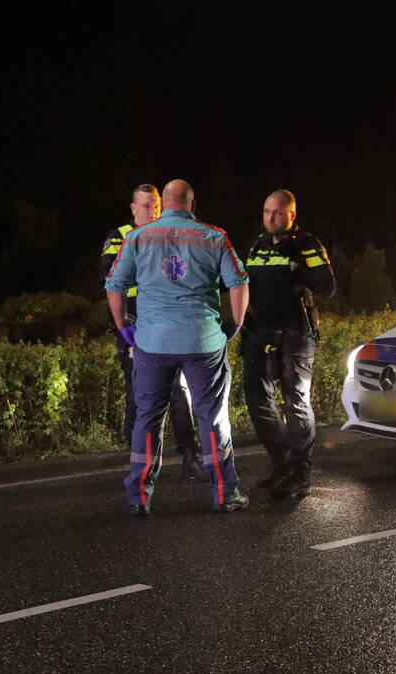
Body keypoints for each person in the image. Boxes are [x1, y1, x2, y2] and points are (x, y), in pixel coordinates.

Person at [105, 179, 250, 515]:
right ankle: (225, 494)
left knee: (148, 418)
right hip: (202, 340)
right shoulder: (214, 236)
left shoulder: (137, 237)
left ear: (164, 203)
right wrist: (236, 324)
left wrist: (123, 326)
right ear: (191, 203)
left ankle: (139, 497)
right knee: (211, 418)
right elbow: (239, 283)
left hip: (152, 342)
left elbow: (114, 285)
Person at [100, 183, 203, 480]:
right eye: (146, 206)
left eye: (156, 205)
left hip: (167, 327)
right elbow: (110, 280)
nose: (152, 211)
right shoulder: (119, 237)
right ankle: (138, 465)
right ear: (133, 209)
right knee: (139, 397)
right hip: (135, 328)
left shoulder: (167, 235)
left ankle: (190, 455)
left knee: (179, 394)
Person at [242, 189, 335, 497]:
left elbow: (328, 286)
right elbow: (243, 284)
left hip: (296, 331)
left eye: (277, 213)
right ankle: (280, 461)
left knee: (295, 399)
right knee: (257, 399)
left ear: (291, 215)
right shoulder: (257, 245)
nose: (270, 217)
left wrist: (300, 271)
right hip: (261, 331)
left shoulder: (306, 244)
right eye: (267, 211)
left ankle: (300, 471)